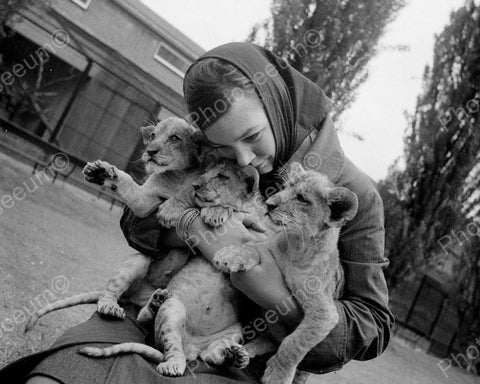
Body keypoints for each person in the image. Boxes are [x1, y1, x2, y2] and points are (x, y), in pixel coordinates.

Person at [0, 42, 394, 384]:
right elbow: (140, 218)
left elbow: (373, 325)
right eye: (224, 146)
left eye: (253, 137)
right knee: (60, 373)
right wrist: (194, 228)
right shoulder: (204, 150)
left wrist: (272, 294)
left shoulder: (353, 193)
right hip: (160, 310)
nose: (244, 159)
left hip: (243, 354)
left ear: (276, 105)